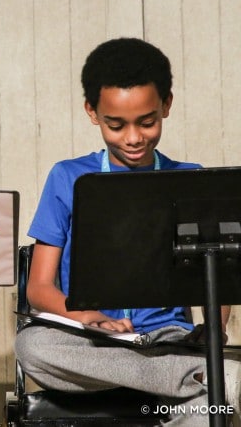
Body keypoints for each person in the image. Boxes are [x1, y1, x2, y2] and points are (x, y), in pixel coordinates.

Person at [14, 37, 240, 426]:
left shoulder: (191, 179)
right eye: (115, 125)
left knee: (208, 413)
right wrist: (90, 317)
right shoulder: (67, 177)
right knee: (32, 346)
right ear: (92, 112)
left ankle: (199, 373)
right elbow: (38, 288)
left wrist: (212, 331)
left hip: (170, 340)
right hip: (94, 342)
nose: (134, 138)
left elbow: (216, 271)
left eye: (147, 122)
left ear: (166, 105)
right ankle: (195, 377)